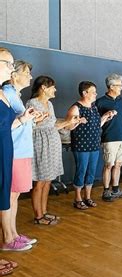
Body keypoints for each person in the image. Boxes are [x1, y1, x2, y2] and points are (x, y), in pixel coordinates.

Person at [26, 76, 80, 224]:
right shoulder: (32, 103)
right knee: (40, 181)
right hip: (41, 144)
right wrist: (67, 122)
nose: (55, 90)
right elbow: (34, 125)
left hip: (52, 144)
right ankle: (38, 216)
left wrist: (69, 123)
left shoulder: (49, 104)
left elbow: (52, 124)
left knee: (48, 180)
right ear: (43, 87)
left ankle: (44, 212)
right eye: (53, 87)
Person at [2, 60, 40, 251]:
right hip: (14, 151)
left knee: (14, 195)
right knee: (9, 196)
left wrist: (31, 119)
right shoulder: (7, 94)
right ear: (14, 75)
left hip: (22, 150)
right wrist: (25, 118)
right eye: (27, 73)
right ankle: (8, 238)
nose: (30, 77)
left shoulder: (15, 95)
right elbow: (8, 125)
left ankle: (14, 234)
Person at [0, 47, 32, 271]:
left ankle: (10, 237)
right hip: (5, 150)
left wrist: (23, 119)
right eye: (8, 64)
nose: (12, 69)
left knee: (6, 197)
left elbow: (6, 126)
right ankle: (8, 239)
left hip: (6, 149)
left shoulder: (3, 93)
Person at [65, 81, 116, 210]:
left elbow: (96, 125)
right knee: (81, 171)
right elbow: (68, 126)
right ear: (84, 93)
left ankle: (87, 197)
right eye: (93, 92)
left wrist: (105, 116)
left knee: (91, 172)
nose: (95, 94)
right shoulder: (76, 108)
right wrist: (76, 121)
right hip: (81, 146)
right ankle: (78, 198)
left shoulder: (94, 107)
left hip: (94, 145)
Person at [95, 73, 122, 201]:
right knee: (108, 165)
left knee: (118, 164)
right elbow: (96, 122)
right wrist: (106, 115)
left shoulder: (120, 100)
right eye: (119, 86)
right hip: (109, 138)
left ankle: (115, 190)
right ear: (111, 86)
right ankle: (106, 192)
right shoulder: (100, 102)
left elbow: (119, 118)